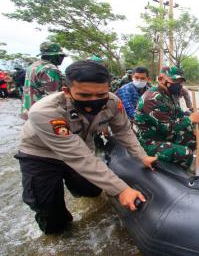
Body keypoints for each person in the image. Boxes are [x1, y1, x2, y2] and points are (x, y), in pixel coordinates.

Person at [14, 60, 157, 234]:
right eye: (85, 95)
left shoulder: (112, 102)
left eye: (100, 94)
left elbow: (124, 131)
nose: (94, 101)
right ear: (67, 91)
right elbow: (78, 157)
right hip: (41, 154)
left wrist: (142, 156)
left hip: (82, 147)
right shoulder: (45, 111)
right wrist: (122, 189)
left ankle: (75, 188)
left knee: (91, 190)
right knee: (49, 209)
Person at [134, 66, 199, 170]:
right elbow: (168, 127)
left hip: (163, 135)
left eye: (180, 81)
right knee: (185, 153)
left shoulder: (170, 94)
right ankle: (177, 176)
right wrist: (190, 120)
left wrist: (192, 129)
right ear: (161, 79)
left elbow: (178, 114)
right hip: (148, 142)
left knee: (194, 139)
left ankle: (174, 165)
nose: (178, 85)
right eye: (174, 80)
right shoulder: (152, 98)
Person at [21, 42, 66, 120]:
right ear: (53, 56)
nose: (62, 58)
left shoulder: (33, 66)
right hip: (43, 112)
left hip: (29, 110)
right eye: (61, 56)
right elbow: (54, 96)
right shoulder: (49, 68)